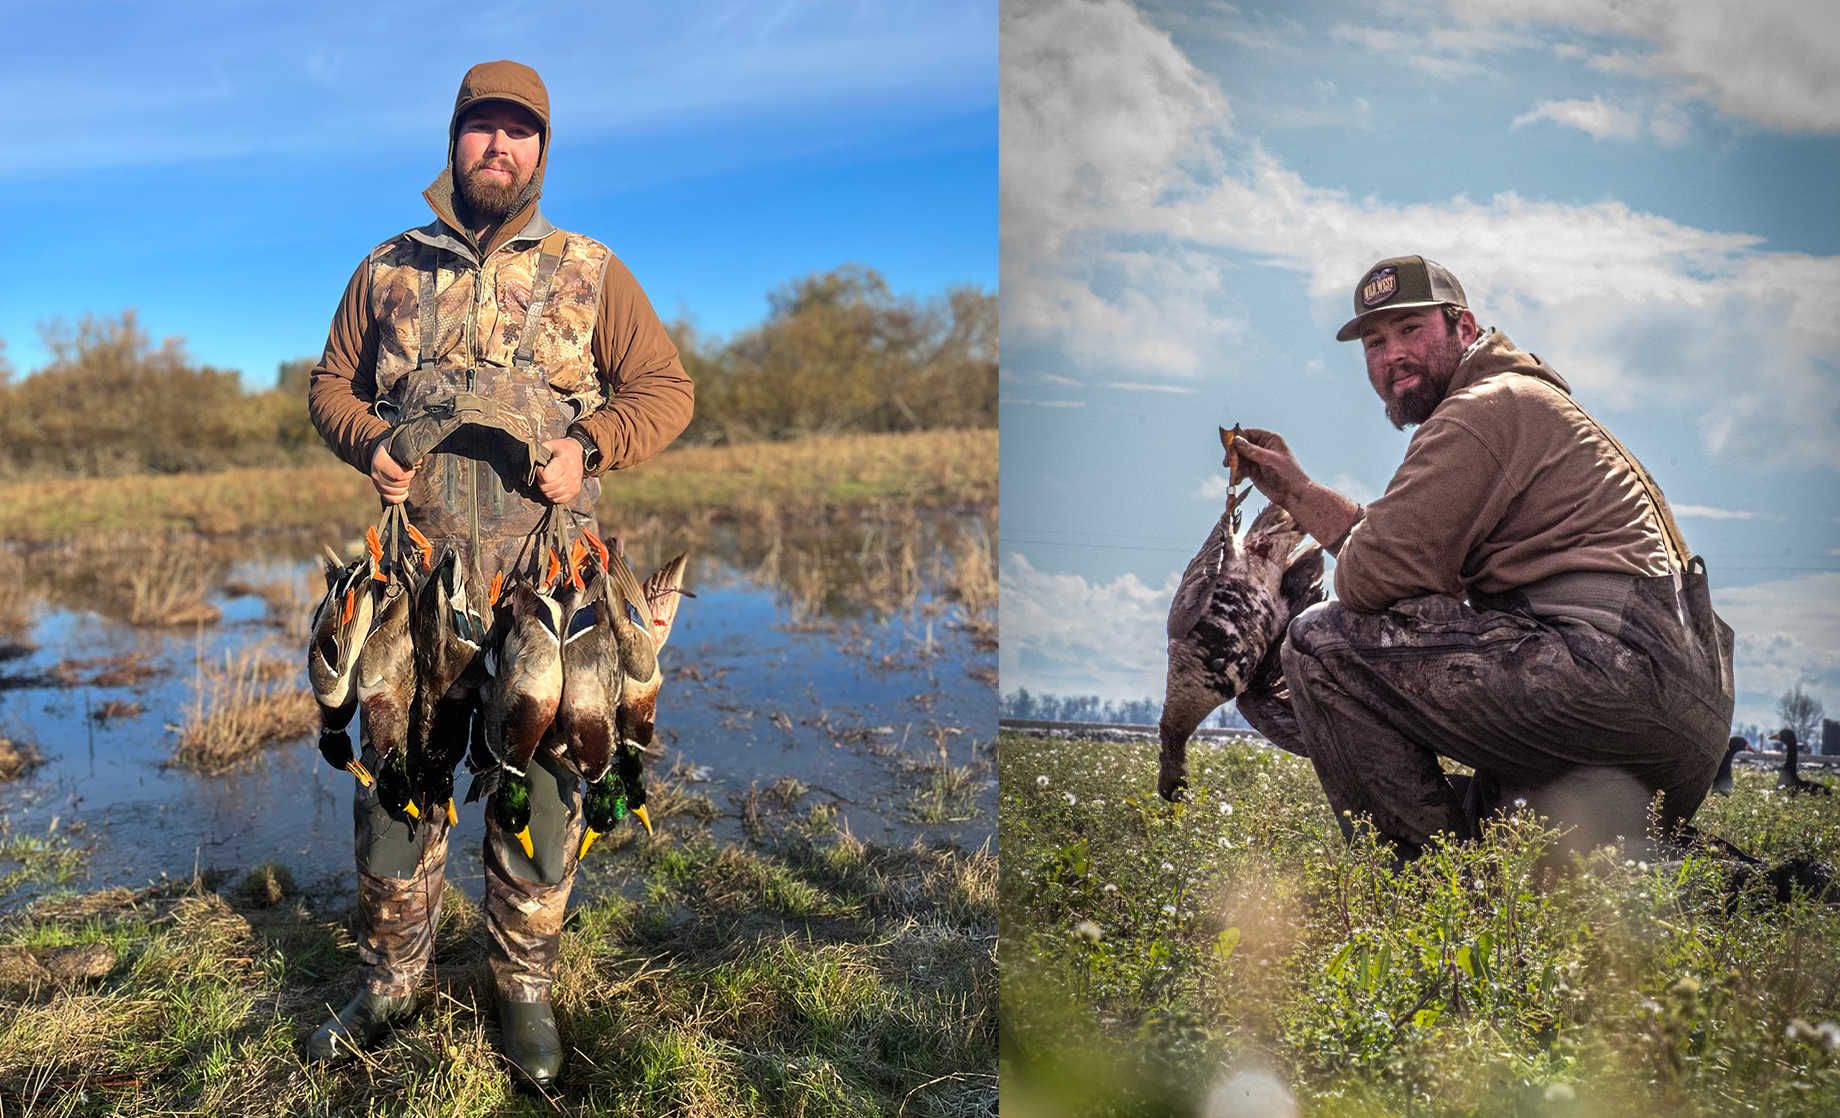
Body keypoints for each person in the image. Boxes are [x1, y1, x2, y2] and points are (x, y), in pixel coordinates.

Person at [304, 60, 694, 1087]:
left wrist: (594, 444)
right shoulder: (385, 267)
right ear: (455, 139)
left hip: (547, 579)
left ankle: (521, 986)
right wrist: (367, 444)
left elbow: (665, 388)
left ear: (542, 152)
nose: (499, 147)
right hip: (417, 579)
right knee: (399, 776)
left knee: (554, 773)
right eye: (483, 128)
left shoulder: (592, 270)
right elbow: (329, 386)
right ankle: (392, 978)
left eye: (520, 132)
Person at [1220, 255, 1733, 862]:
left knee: (1319, 645)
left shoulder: (1480, 411)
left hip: (1611, 677)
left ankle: (1423, 892)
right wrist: (1297, 494)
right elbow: (1397, 550)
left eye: (1412, 330)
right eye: (1375, 343)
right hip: (1671, 709)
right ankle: (1734, 884)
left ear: (1463, 328)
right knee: (1515, 841)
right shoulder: (1521, 403)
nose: (1392, 356)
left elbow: (1368, 577)